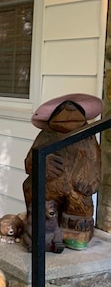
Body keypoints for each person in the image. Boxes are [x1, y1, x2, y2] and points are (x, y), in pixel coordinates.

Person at [22, 93, 103, 250]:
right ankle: (40, 229)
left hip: (76, 188)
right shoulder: (46, 134)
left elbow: (93, 162)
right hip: (49, 185)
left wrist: (85, 181)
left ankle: (75, 234)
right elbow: (29, 163)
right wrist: (41, 165)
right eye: (62, 110)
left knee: (80, 201)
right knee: (31, 187)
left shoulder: (87, 136)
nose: (69, 113)